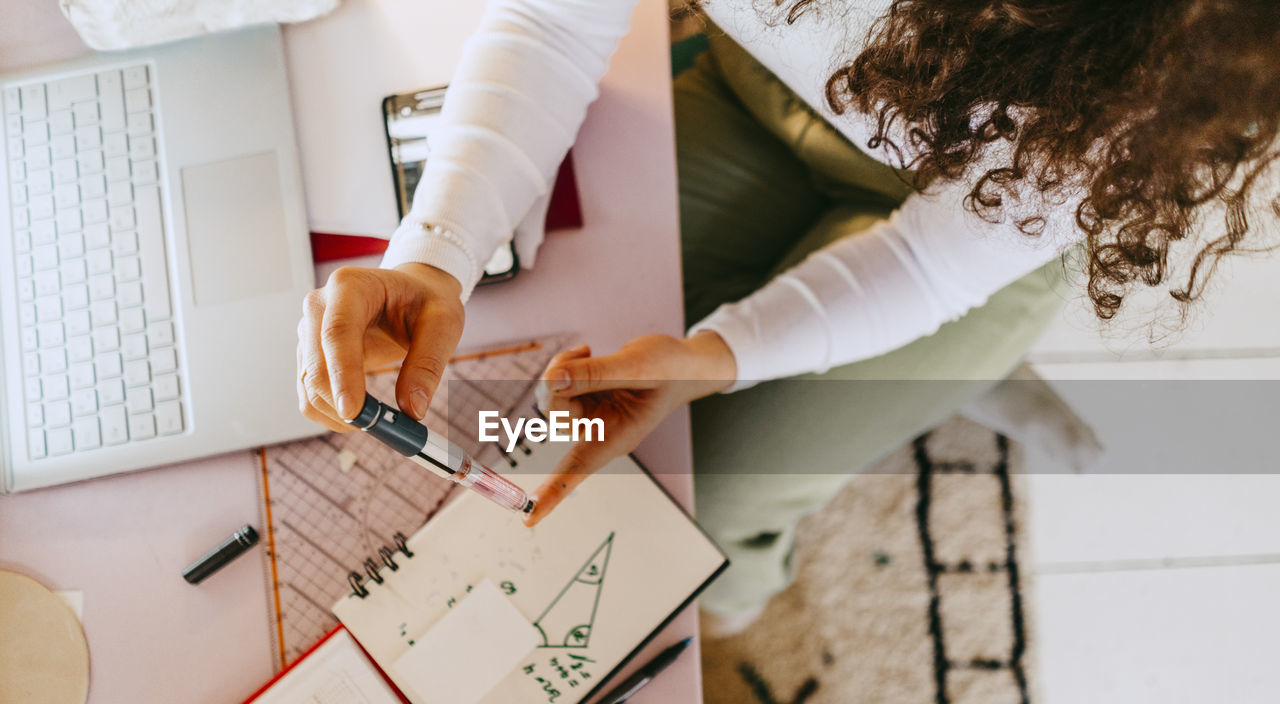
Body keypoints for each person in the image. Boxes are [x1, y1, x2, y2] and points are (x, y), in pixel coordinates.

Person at [297, 0, 1280, 625]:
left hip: (975, 229)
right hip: (756, 99)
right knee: (550, 346)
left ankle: (975, 361)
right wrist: (433, 255)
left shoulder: (1192, 36)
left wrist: (722, 353)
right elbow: (554, 22)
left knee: (703, 517)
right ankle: (951, 366)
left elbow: (932, 264)